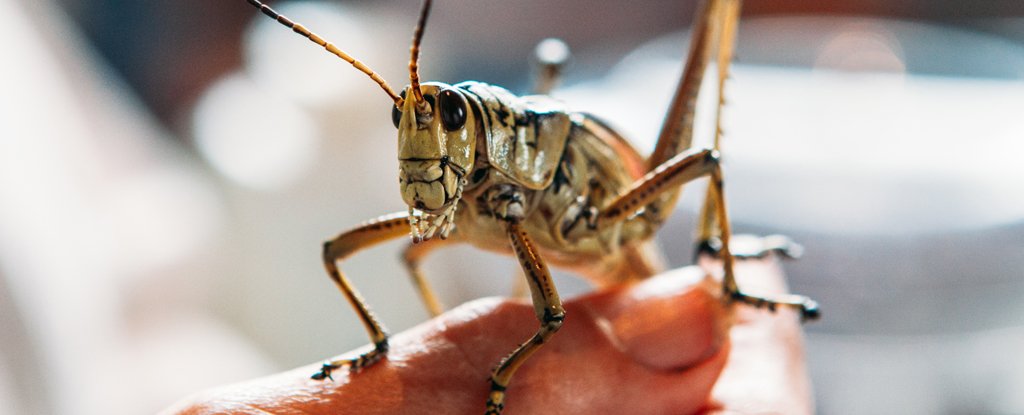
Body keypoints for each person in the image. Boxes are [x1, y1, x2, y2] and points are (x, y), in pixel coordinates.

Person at [162, 256, 812, 414]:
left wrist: (495, 371)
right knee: (401, 252)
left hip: (613, 208)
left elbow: (553, 316)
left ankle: (730, 269)